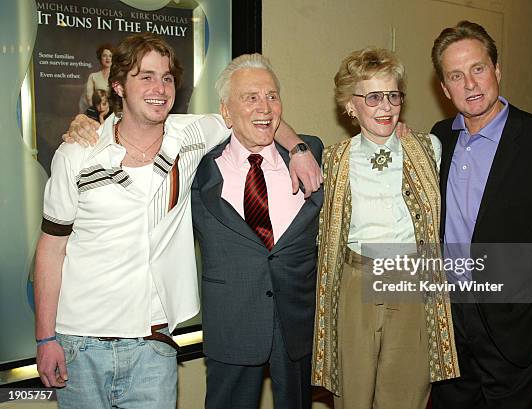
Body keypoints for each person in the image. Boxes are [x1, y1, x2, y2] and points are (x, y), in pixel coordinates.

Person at [35, 33, 320, 409]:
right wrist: (44, 339)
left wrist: (298, 147)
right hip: (81, 342)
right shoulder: (77, 153)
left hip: (155, 342)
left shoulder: (190, 136)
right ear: (118, 85)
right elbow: (51, 250)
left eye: (167, 77)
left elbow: (257, 117)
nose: (159, 88)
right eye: (146, 76)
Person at [429, 21, 532, 409]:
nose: (470, 84)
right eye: (456, 75)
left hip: (514, 322)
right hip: (448, 320)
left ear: (497, 71)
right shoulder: (437, 139)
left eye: (478, 69)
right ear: (445, 89)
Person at [311, 47, 459, 409]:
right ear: (350, 105)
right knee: (353, 395)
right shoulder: (331, 159)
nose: (386, 106)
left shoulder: (429, 148)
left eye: (393, 95)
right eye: (373, 97)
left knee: (405, 394)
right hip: (354, 280)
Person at [191, 53, 323, 409]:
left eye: (272, 96)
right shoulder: (198, 171)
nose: (265, 108)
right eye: (250, 98)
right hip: (232, 321)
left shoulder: (312, 153)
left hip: (297, 324)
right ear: (226, 111)